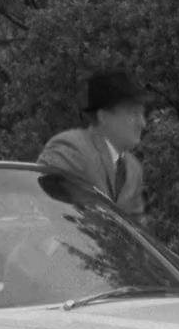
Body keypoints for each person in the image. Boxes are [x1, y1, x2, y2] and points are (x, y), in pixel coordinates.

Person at [37, 69, 150, 226]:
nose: (142, 123)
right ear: (103, 117)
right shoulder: (71, 149)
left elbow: (138, 230)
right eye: (133, 113)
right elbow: (40, 200)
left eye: (142, 114)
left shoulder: (134, 169)